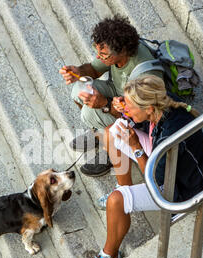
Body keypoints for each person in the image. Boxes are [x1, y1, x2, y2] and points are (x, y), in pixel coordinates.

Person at [82, 75, 203, 258]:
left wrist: (136, 147)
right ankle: (123, 187)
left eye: (130, 106)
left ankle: (109, 256)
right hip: (166, 164)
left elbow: (156, 180)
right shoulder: (162, 102)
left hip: (183, 190)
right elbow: (138, 120)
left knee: (116, 201)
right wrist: (118, 106)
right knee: (112, 132)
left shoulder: (171, 138)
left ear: (149, 109)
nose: (126, 108)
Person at [59, 15, 163, 177]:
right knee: (78, 90)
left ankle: (111, 146)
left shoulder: (145, 76)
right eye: (97, 51)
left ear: (122, 51)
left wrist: (104, 104)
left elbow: (140, 117)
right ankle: (100, 132)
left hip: (137, 111)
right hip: (118, 92)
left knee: (89, 113)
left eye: (104, 54)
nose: (99, 57)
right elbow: (93, 69)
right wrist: (79, 72)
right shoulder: (113, 50)